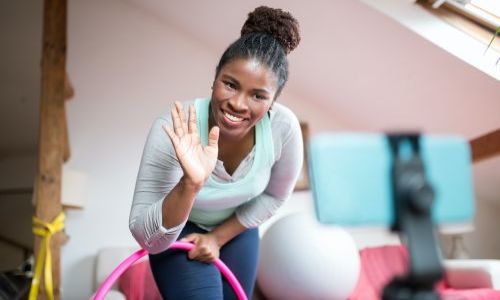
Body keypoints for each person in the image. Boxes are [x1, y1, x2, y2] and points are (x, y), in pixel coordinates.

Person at [129, 6, 303, 300]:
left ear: (273, 102)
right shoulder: (174, 126)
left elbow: (274, 196)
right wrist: (190, 184)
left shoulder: (283, 128)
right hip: (180, 228)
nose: (238, 103)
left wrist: (217, 237)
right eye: (230, 84)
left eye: (258, 95)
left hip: (236, 228)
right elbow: (147, 238)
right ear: (214, 79)